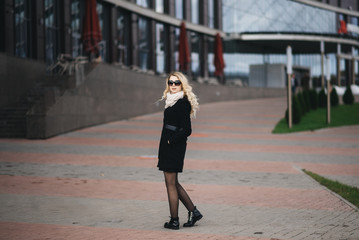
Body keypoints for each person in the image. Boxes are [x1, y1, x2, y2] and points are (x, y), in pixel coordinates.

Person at [157, 72, 202, 230]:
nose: (173, 85)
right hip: (167, 145)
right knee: (173, 183)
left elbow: (187, 129)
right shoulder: (170, 101)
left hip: (173, 146)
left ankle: (174, 221)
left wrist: (171, 140)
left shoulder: (182, 102)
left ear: (182, 84)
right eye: (171, 83)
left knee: (170, 184)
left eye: (176, 83)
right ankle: (194, 212)